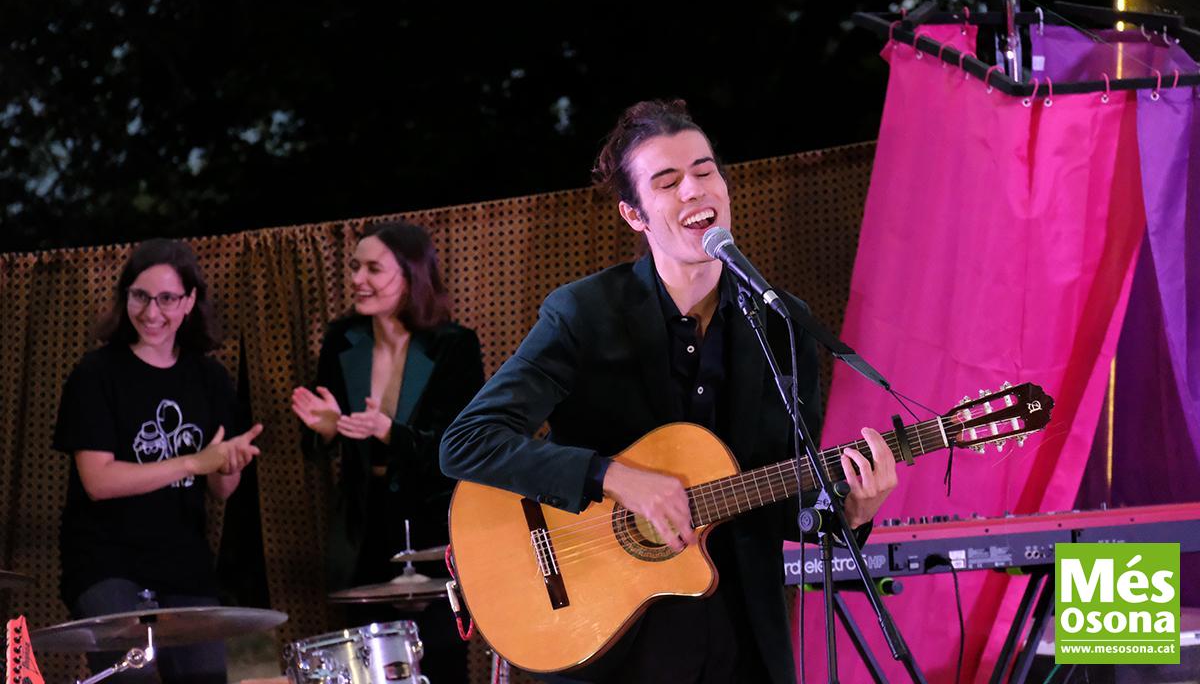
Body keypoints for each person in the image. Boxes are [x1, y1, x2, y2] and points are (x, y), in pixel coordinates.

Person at [439, 99, 899, 684]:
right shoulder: (585, 314)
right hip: (612, 643)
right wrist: (614, 477)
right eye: (667, 181)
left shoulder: (781, 320)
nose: (694, 190)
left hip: (742, 642)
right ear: (634, 215)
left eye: (705, 171)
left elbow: (786, 498)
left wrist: (850, 513)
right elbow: (467, 442)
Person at [54, 238, 263, 684]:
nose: (152, 312)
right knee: (135, 675)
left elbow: (220, 488)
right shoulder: (95, 374)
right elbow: (98, 481)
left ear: (188, 302)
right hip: (106, 563)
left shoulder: (209, 378)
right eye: (140, 296)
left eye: (167, 298)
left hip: (184, 564)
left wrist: (228, 467)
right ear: (125, 296)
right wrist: (193, 463)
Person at [291, 220, 484, 684]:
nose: (357, 279)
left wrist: (390, 433)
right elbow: (316, 446)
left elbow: (462, 447)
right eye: (354, 267)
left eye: (373, 269)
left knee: (440, 663)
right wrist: (328, 430)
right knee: (369, 668)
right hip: (364, 532)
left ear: (412, 275)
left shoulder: (454, 345)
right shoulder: (342, 339)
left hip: (434, 526)